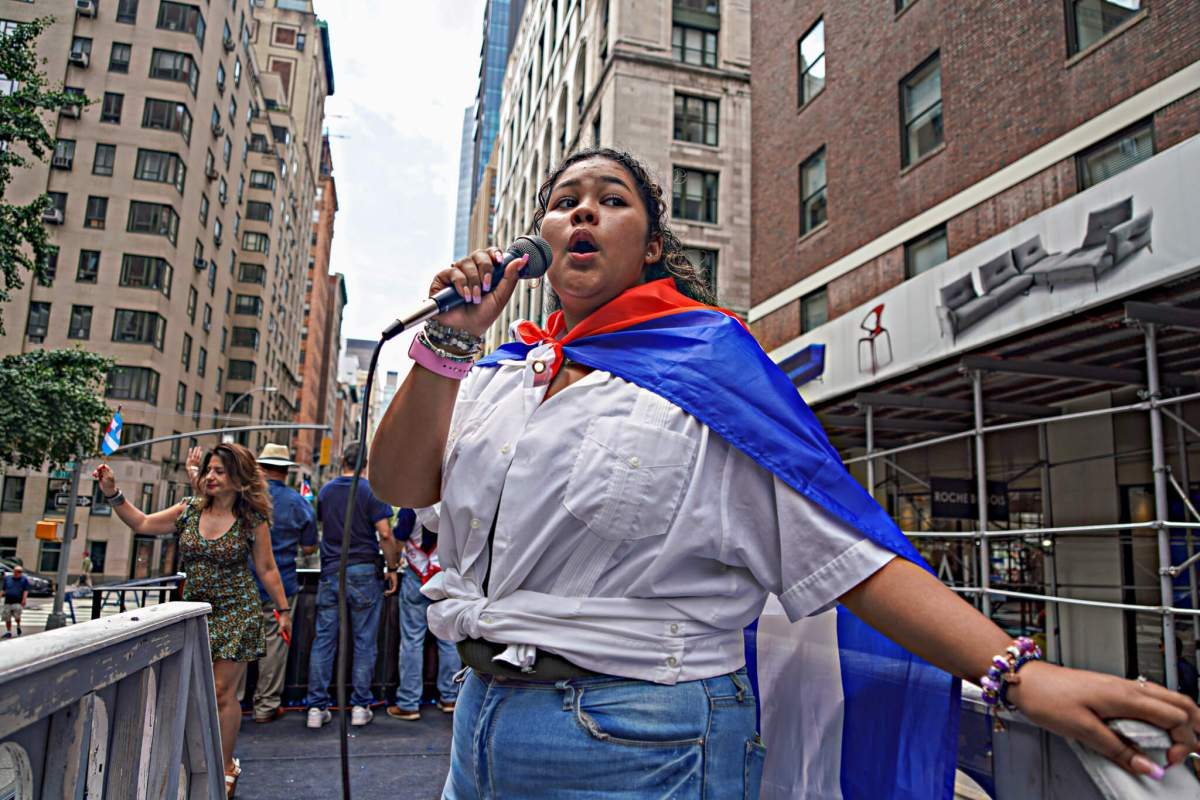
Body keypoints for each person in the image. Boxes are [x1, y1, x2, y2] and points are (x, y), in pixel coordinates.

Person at [368, 147, 1200, 798]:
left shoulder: (713, 367)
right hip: (479, 723)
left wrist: (1019, 674)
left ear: (652, 244)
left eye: (611, 199)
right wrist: (450, 341)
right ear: (537, 244)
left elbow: (845, 553)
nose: (582, 208)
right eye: (563, 201)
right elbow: (404, 485)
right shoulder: (500, 373)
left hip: (641, 742)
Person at [95, 442, 291, 799]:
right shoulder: (188, 510)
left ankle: (226, 764)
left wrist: (283, 609)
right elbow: (141, 522)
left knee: (221, 691)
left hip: (237, 609)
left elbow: (266, 567)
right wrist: (113, 493)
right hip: (195, 610)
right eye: (209, 470)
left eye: (220, 471)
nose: (211, 477)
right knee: (190, 691)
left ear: (237, 478)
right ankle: (192, 758)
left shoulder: (251, 519)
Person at [304, 442, 399, 729]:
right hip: (364, 573)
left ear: (342, 461)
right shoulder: (371, 491)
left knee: (324, 641)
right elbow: (385, 533)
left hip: (331, 571)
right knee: (364, 642)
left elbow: (322, 526)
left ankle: (315, 709)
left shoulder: (327, 491)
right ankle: (360, 705)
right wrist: (392, 567)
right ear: (365, 463)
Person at [247, 443, 318, 723]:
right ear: (286, 471)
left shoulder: (246, 499)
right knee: (274, 645)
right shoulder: (299, 503)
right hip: (282, 586)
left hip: (244, 583)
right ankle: (265, 706)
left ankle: (228, 701)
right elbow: (310, 547)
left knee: (236, 645)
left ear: (261, 469)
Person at [387, 505, 462, 720]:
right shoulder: (453, 504)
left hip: (416, 577)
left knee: (412, 640)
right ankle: (450, 697)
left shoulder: (411, 506)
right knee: (449, 640)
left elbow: (398, 540)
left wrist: (392, 565)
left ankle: (409, 702)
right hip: (446, 576)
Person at [2, 565, 29, 638]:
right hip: (7, 601)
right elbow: (4, 589)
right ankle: (8, 631)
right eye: (17, 571)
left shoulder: (24, 580)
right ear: (14, 571)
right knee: (7, 617)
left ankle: (18, 625)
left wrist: (24, 599)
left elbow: (25, 590)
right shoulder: (8, 578)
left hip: (18, 601)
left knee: (17, 617)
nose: (18, 573)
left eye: (20, 572)